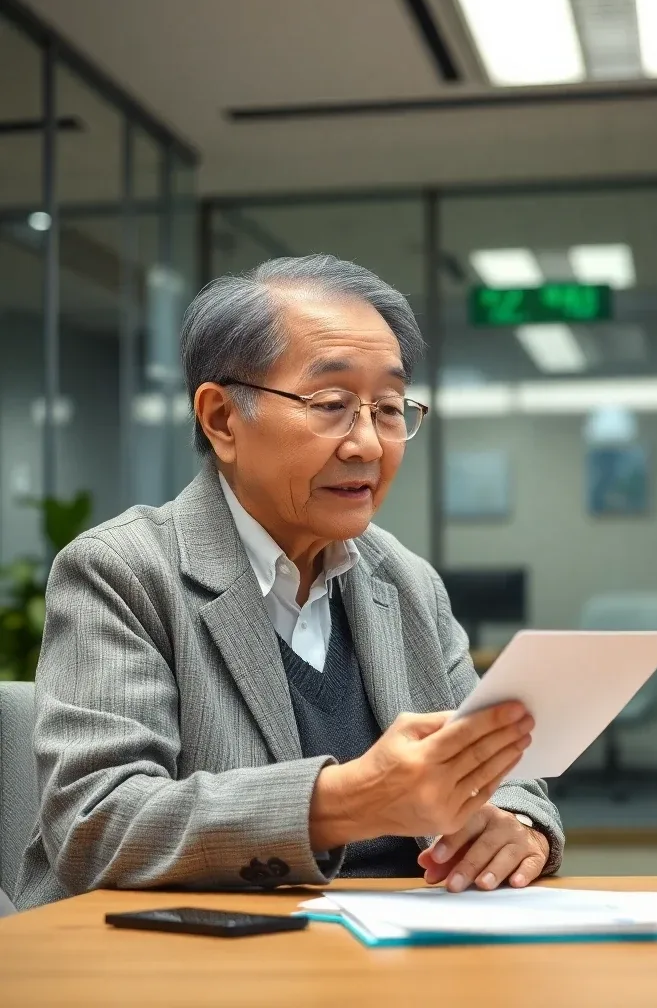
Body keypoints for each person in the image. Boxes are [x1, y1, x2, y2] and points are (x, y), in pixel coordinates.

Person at [15, 255, 563, 909]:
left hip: (404, 958)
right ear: (222, 419)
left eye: (388, 409)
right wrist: (348, 802)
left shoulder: (406, 581)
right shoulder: (121, 572)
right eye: (331, 404)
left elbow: (505, 775)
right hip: (202, 963)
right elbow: (95, 825)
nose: (367, 443)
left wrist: (519, 829)